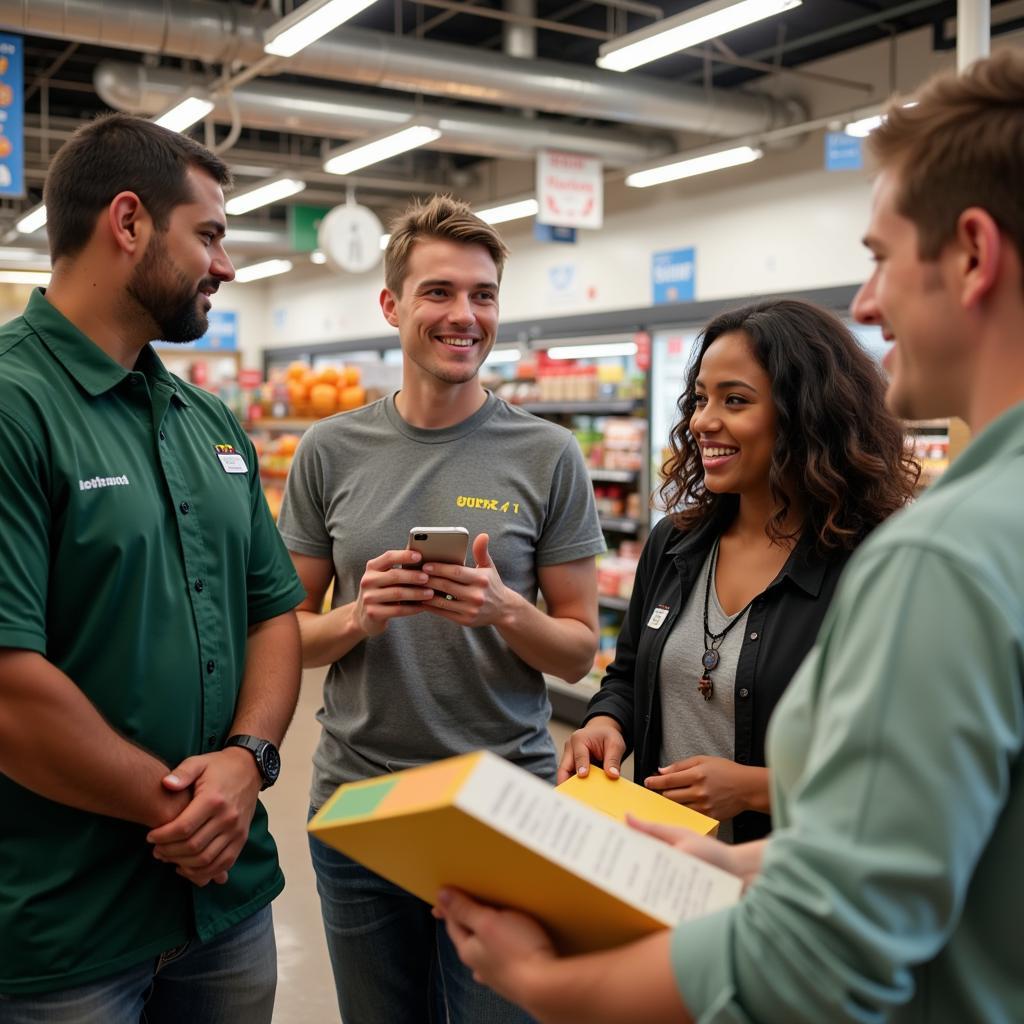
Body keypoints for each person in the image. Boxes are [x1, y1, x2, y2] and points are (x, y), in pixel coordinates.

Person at [434, 48, 1024, 1024]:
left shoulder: (933, 557)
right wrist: (723, 857)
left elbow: (821, 958)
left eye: (877, 257)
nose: (867, 304)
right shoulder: (688, 541)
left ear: (970, 251)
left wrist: (542, 985)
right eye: (699, 399)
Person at [0, 114, 305, 1023]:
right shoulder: (16, 410)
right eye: (209, 234)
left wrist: (248, 765)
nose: (227, 265)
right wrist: (190, 809)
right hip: (72, 927)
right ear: (128, 222)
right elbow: (10, 688)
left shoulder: (208, 422)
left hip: (229, 909)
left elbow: (273, 614)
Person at [277, 194, 605, 1023]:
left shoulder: (547, 454)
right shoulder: (329, 450)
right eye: (439, 292)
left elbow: (576, 653)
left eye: (483, 295)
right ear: (391, 305)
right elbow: (283, 636)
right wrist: (360, 616)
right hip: (360, 805)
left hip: (503, 807)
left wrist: (504, 611)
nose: (465, 315)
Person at [559, 298, 916, 843]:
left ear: (806, 415)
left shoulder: (872, 565)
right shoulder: (675, 544)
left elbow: (899, 765)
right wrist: (604, 724)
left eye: (735, 400)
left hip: (787, 880)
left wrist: (755, 789)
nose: (703, 421)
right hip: (660, 859)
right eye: (700, 399)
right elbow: (627, 675)